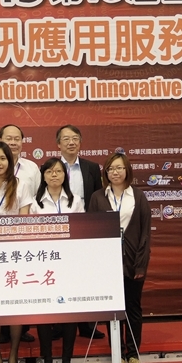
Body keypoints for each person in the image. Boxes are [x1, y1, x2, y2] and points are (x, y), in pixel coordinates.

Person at [87, 152, 151, 363]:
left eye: (119, 168)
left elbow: (145, 233)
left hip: (133, 261)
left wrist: (141, 264)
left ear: (127, 171)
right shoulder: (98, 197)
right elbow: (91, 232)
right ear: (105, 172)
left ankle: (133, 354)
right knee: (113, 309)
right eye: (111, 168)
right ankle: (117, 353)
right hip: (107, 262)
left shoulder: (138, 196)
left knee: (132, 307)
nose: (115, 172)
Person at [0, 124, 39, 344]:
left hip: (15, 248)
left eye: (3, 159)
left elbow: (25, 217)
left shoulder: (22, 184)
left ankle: (16, 339)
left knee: (16, 294)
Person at [29, 158, 84, 363]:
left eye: (58, 171)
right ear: (43, 176)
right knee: (44, 313)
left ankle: (67, 360)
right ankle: (47, 360)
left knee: (69, 313)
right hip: (43, 264)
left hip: (69, 264)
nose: (54, 175)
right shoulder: (35, 203)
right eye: (50, 171)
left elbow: (81, 231)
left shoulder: (75, 201)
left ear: (65, 175)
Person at [56, 124, 105, 340]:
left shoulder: (91, 167)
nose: (71, 142)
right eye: (66, 138)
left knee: (84, 277)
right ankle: (58, 325)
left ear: (80, 143)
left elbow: (98, 197)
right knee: (58, 276)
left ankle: (86, 325)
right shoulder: (50, 167)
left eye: (75, 138)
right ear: (58, 144)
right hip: (58, 232)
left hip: (85, 230)